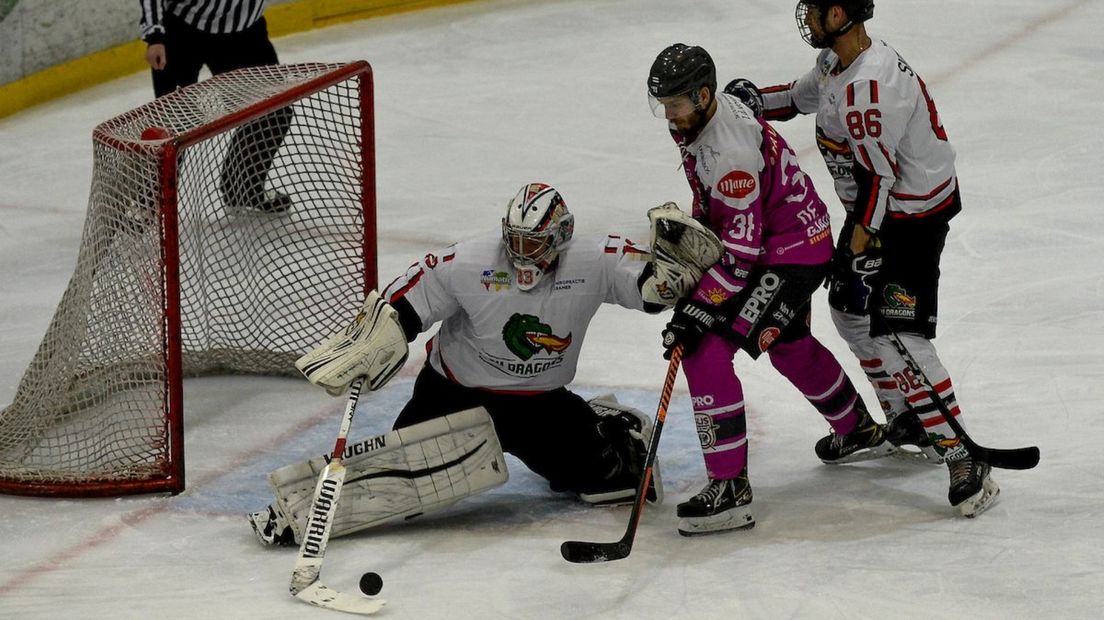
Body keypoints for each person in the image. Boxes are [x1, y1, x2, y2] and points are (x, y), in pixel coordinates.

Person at [248, 183, 682, 546]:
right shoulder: (470, 261)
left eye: (534, 244)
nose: (522, 255)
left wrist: (665, 285)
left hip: (541, 405)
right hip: (453, 395)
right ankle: (298, 512)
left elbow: (643, 283)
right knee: (399, 484)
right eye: (514, 241)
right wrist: (382, 334)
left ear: (561, 236)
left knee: (607, 478)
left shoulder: (594, 259)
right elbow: (409, 299)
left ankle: (609, 426)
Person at [724, 0, 999, 517]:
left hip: (909, 219)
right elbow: (795, 98)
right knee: (850, 309)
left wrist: (859, 239)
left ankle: (960, 452)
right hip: (880, 209)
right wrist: (743, 103)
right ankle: (905, 417)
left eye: (817, 9)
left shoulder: (870, 89)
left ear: (841, 14)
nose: (807, 17)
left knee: (900, 332)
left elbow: (879, 178)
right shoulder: (836, 65)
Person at [647, 44, 890, 536]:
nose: (669, 117)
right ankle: (857, 429)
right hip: (796, 238)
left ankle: (731, 489)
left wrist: (697, 309)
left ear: (701, 95)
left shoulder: (730, 151)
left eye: (675, 104)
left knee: (704, 351)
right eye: (663, 105)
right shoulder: (701, 120)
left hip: (788, 253)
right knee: (787, 344)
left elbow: (740, 257)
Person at [139, 0, 293, 213]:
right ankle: (149, 204)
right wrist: (155, 35)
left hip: (245, 32)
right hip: (182, 31)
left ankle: (243, 189)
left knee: (274, 112)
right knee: (172, 123)